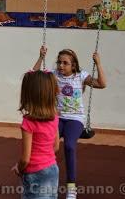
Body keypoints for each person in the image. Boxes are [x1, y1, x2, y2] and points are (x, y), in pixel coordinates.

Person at [33, 46, 107, 199]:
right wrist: (41, 57)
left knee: (69, 146)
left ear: (73, 65)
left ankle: (71, 188)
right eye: (59, 62)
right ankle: (43, 179)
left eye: (65, 63)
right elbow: (33, 76)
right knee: (46, 145)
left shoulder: (81, 76)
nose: (61, 66)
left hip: (75, 118)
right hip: (57, 118)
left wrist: (98, 63)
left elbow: (102, 83)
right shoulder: (53, 75)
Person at [11, 70, 60, 199]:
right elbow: (56, 147)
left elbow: (26, 159)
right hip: (52, 168)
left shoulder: (28, 122)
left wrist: (19, 168)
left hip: (34, 172)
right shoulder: (54, 117)